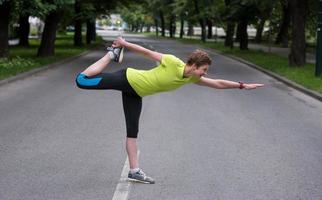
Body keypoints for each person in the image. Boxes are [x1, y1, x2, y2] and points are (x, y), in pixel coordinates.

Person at [75, 37, 264, 184]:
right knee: (81, 81)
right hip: (128, 79)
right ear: (194, 65)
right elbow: (147, 53)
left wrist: (241, 85)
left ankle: (134, 171)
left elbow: (217, 83)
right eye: (203, 69)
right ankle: (111, 55)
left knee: (132, 132)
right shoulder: (173, 62)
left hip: (136, 93)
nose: (205, 73)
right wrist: (124, 43)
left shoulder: (191, 78)